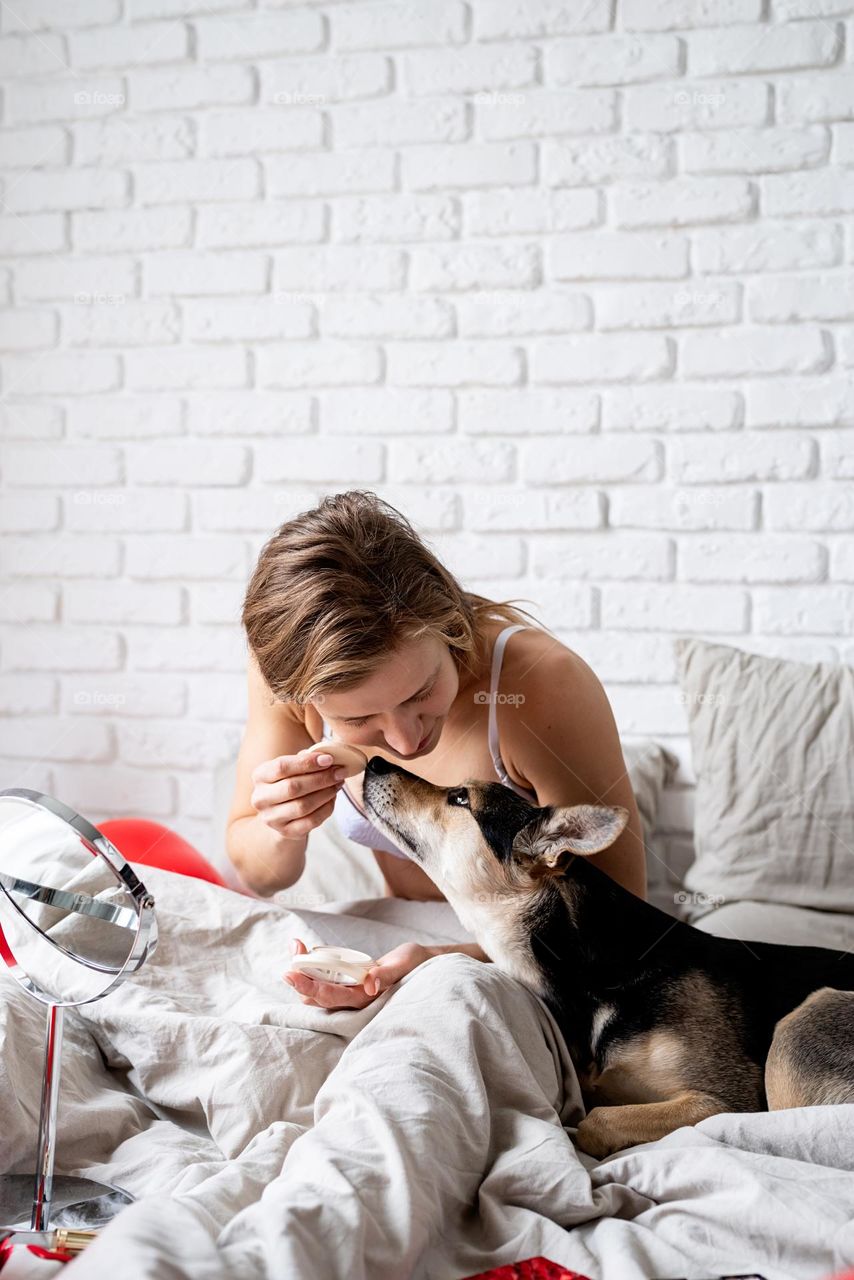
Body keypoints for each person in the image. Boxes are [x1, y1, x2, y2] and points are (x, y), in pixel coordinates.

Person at [226, 489, 645, 1011]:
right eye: (357, 720)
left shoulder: (540, 683)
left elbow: (621, 925)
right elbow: (264, 876)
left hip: (538, 961)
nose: (404, 743)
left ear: (448, 622)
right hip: (397, 932)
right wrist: (283, 823)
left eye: (421, 694)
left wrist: (445, 959)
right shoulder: (288, 673)